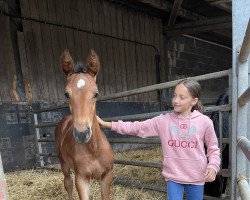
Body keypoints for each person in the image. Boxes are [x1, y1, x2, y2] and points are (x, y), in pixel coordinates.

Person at [97, 79, 221, 200]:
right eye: (174, 95)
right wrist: (108, 124)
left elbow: (213, 149)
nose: (175, 101)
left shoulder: (205, 122)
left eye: (182, 97)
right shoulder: (163, 121)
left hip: (196, 176)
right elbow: (137, 127)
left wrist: (213, 166)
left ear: (194, 101)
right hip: (173, 177)